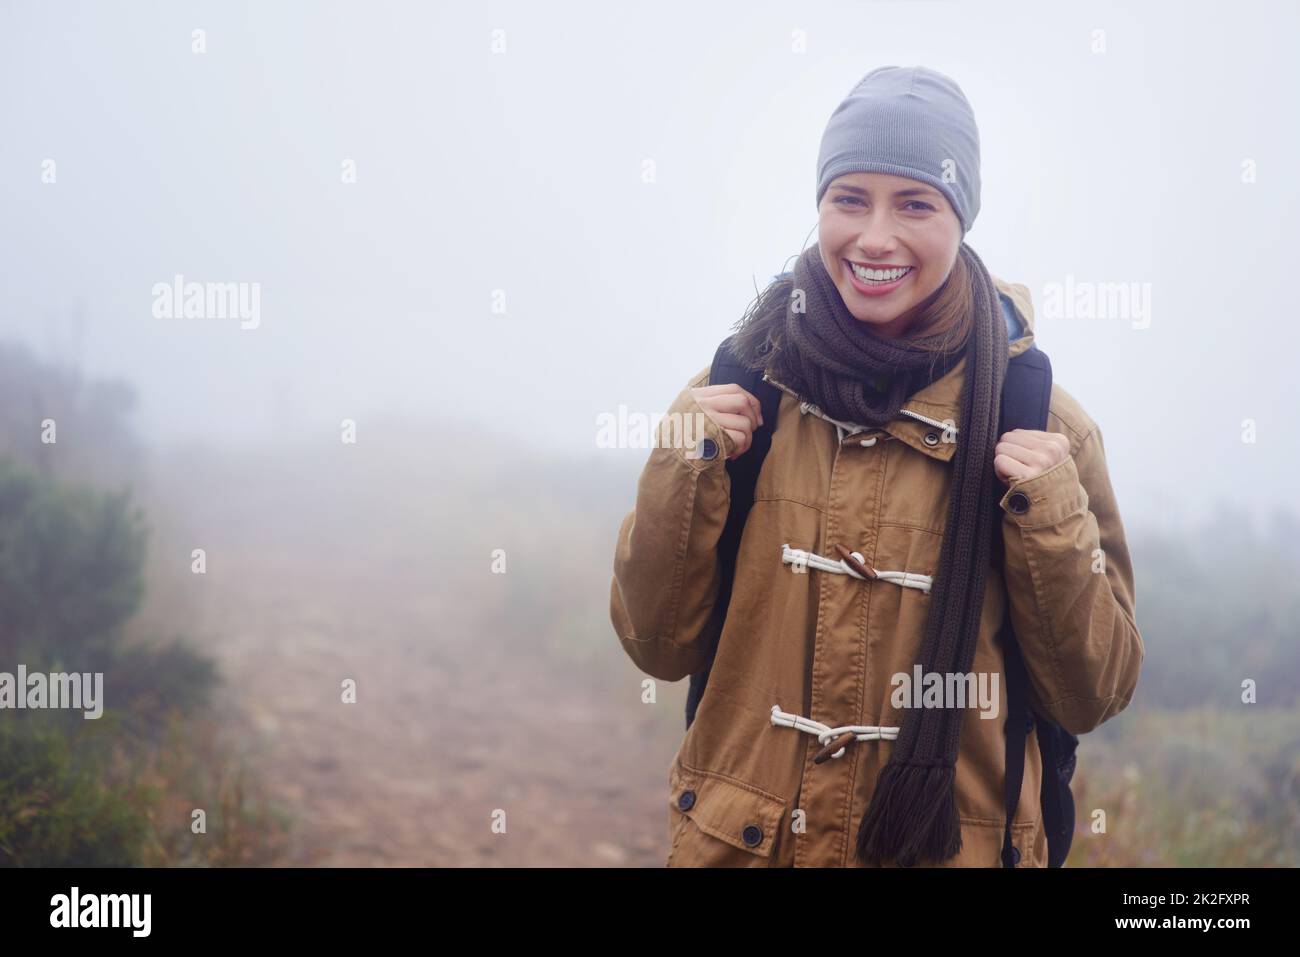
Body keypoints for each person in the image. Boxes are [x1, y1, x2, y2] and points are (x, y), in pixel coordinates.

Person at [609, 65, 1144, 867]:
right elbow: (657, 644)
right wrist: (684, 464)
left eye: (915, 204)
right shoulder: (744, 386)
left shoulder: (1042, 425)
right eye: (848, 198)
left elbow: (1091, 691)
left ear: (961, 218)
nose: (874, 237)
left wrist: (1051, 513)